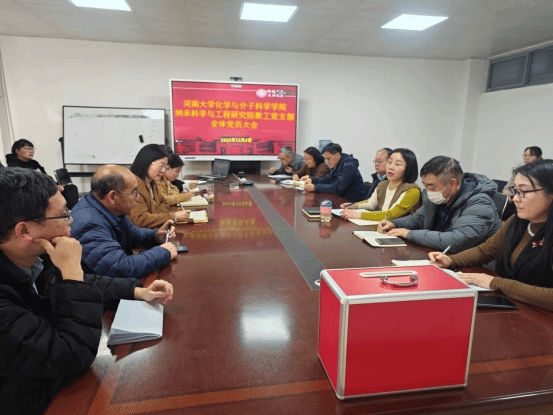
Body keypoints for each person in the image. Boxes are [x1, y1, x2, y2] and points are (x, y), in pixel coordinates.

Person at [0, 167, 174, 414]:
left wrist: (136, 291)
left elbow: (73, 283)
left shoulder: (36, 257)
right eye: (63, 214)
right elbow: (72, 353)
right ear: (25, 231)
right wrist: (71, 272)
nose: (71, 220)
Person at [429, 159, 553, 311]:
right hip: (513, 306)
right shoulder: (518, 221)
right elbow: (485, 251)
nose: (515, 198)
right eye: (515, 191)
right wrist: (451, 260)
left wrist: (496, 283)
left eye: (523, 191)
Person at [70, 165, 178, 279]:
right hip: (100, 288)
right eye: (134, 192)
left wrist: (156, 236)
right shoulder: (89, 224)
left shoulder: (109, 209)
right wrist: (163, 253)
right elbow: (121, 267)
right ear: (112, 197)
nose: (137, 197)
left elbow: (132, 234)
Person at [378, 156, 501, 253]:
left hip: (473, 265)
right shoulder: (442, 197)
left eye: (431, 187)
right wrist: (394, 223)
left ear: (452, 184)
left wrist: (409, 234)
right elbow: (419, 218)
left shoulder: (480, 203)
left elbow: (457, 241)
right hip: (439, 254)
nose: (428, 191)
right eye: (425, 185)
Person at [341, 148, 421, 221]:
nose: (391, 167)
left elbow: (390, 215)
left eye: (397, 164)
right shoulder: (382, 184)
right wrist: (354, 205)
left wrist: (359, 215)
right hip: (382, 226)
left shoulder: (412, 191)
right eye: (389, 162)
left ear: (408, 168)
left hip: (398, 230)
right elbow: (371, 203)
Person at [129, 144, 190, 228]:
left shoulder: (152, 181)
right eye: (161, 166)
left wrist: (153, 216)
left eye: (166, 167)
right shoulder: (133, 184)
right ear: (147, 161)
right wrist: (173, 216)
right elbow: (141, 220)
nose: (163, 171)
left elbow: (164, 202)